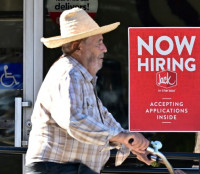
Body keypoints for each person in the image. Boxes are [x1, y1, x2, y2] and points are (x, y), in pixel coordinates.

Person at [25, 8, 152, 174]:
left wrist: (131, 143)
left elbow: (102, 118)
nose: (104, 48)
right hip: (58, 168)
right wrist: (121, 137)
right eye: (99, 42)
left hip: (68, 168)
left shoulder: (80, 76)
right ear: (78, 47)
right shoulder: (68, 74)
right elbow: (74, 121)